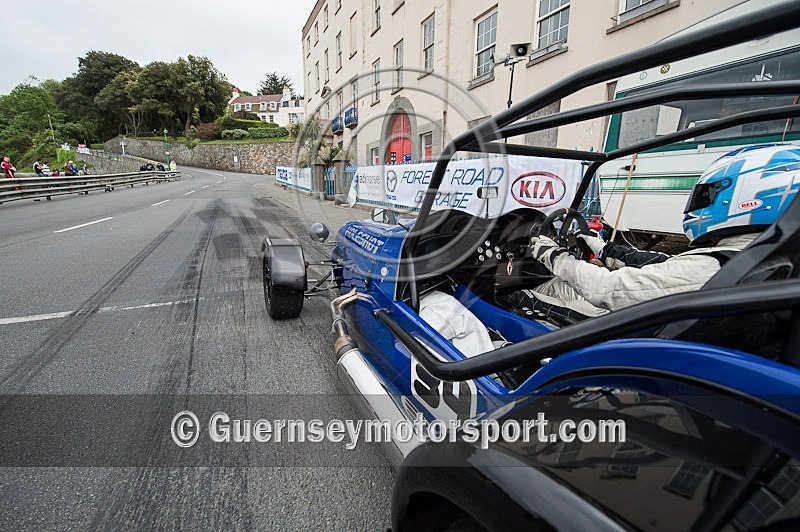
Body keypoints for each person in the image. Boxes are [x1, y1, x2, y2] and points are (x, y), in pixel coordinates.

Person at [519, 144, 800, 324]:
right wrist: (603, 249)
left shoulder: (713, 266)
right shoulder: (759, 258)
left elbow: (607, 289)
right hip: (673, 335)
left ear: (748, 197)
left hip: (628, 338)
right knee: (566, 287)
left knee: (529, 294)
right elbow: (663, 267)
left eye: (708, 195)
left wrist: (553, 255)